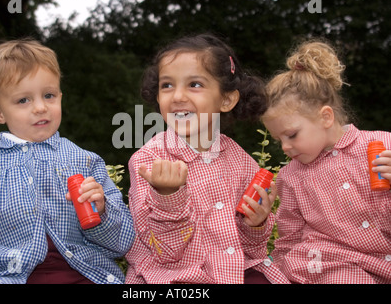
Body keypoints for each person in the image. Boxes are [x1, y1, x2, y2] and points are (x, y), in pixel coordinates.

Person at [0, 39, 134, 284]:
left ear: (61, 97)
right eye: (24, 100)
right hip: (4, 276)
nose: (41, 107)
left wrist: (102, 211)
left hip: (81, 273)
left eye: (49, 95)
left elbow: (122, 242)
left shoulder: (85, 161)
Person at [125, 33, 290, 284]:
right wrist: (168, 197)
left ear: (226, 99)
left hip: (235, 271)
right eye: (167, 85)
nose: (178, 96)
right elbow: (165, 254)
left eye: (195, 84)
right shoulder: (148, 162)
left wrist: (256, 224)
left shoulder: (241, 161)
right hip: (175, 278)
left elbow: (252, 250)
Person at [262, 39, 391, 283]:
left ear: (325, 117)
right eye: (278, 140)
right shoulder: (292, 177)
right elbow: (289, 237)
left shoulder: (382, 147)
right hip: (330, 263)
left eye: (291, 135)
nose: (285, 147)